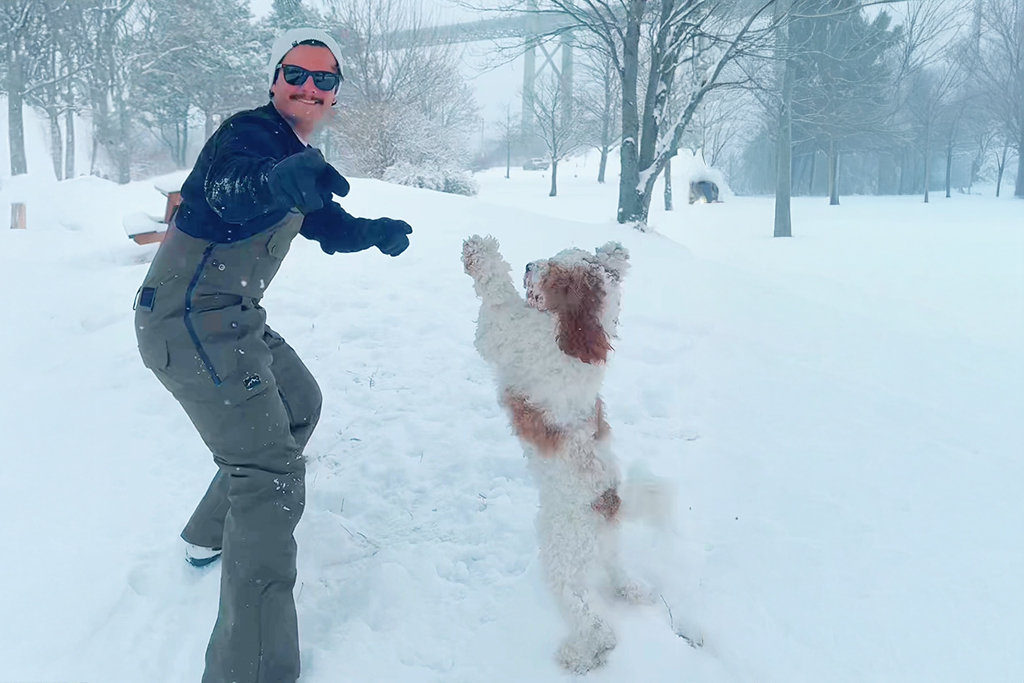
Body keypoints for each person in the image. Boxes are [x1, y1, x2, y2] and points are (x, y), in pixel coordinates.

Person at [132, 27, 412, 683]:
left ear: (335, 94)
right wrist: (278, 179)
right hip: (188, 322)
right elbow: (231, 190)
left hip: (232, 316)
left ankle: (208, 533)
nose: (309, 88)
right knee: (270, 474)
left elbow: (323, 222)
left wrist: (370, 231)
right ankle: (250, 669)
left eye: (324, 79)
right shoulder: (248, 136)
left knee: (299, 403)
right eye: (296, 74)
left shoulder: (294, 153)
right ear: (274, 79)